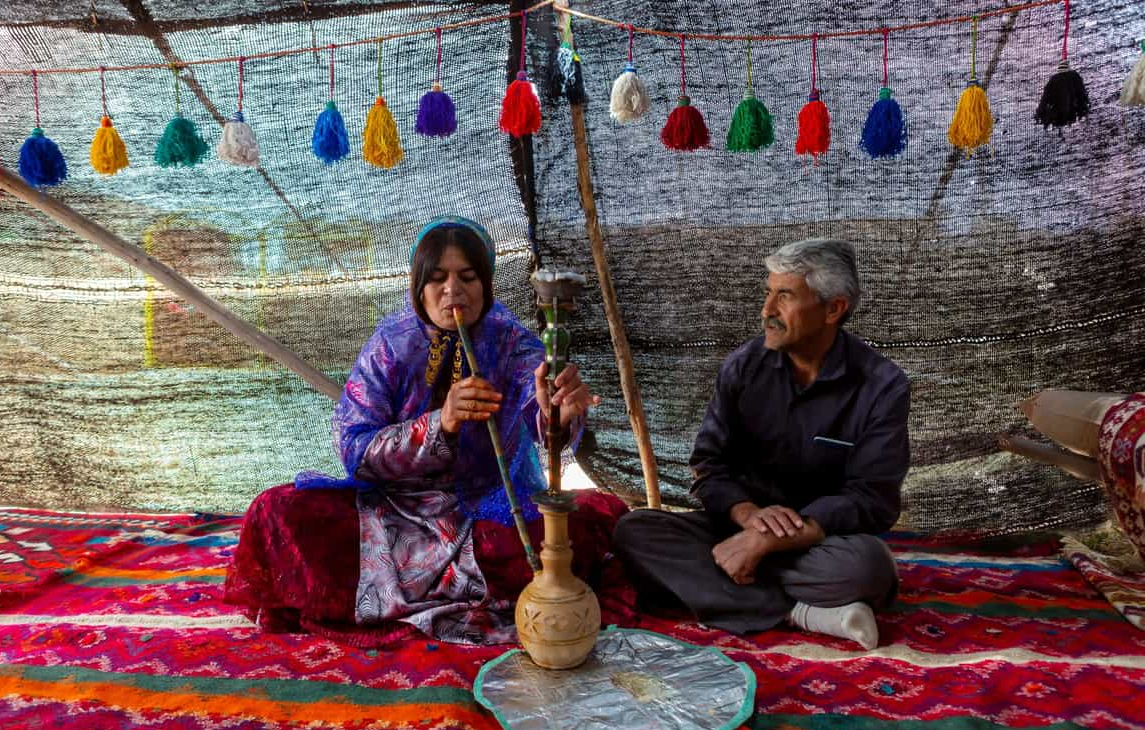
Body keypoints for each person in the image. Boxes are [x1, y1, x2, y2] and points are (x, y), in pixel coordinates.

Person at [225, 216, 634, 646]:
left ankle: (405, 594)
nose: (452, 291)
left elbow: (540, 417)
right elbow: (355, 450)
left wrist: (559, 411)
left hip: (484, 512)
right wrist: (438, 424)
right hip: (391, 514)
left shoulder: (510, 341)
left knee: (591, 521)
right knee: (276, 510)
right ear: (418, 286)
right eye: (437, 278)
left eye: (468, 277)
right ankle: (452, 591)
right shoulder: (391, 344)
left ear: (487, 284)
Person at [613, 239, 910, 650]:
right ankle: (803, 613)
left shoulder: (882, 386)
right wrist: (750, 517)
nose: (767, 310)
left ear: (833, 309)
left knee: (868, 568)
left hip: (818, 542)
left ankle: (723, 585)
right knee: (634, 532)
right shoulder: (742, 367)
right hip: (737, 529)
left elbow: (872, 498)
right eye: (768, 293)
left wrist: (773, 539)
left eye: (784, 296)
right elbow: (709, 466)